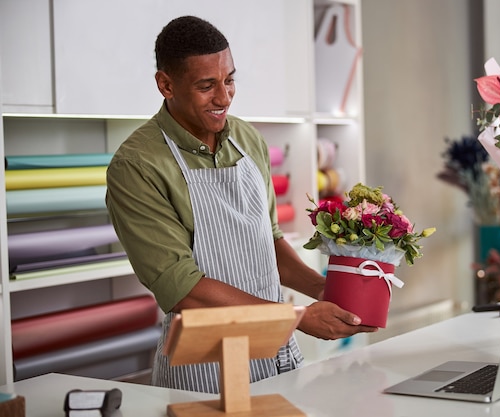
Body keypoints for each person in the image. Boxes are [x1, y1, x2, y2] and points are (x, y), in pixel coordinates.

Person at [105, 15, 377, 394]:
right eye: (206, 86)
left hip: (276, 354)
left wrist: (326, 291)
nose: (224, 97)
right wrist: (296, 317)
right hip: (203, 370)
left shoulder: (248, 140)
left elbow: (268, 242)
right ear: (165, 84)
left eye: (230, 80)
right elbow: (184, 289)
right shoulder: (137, 166)